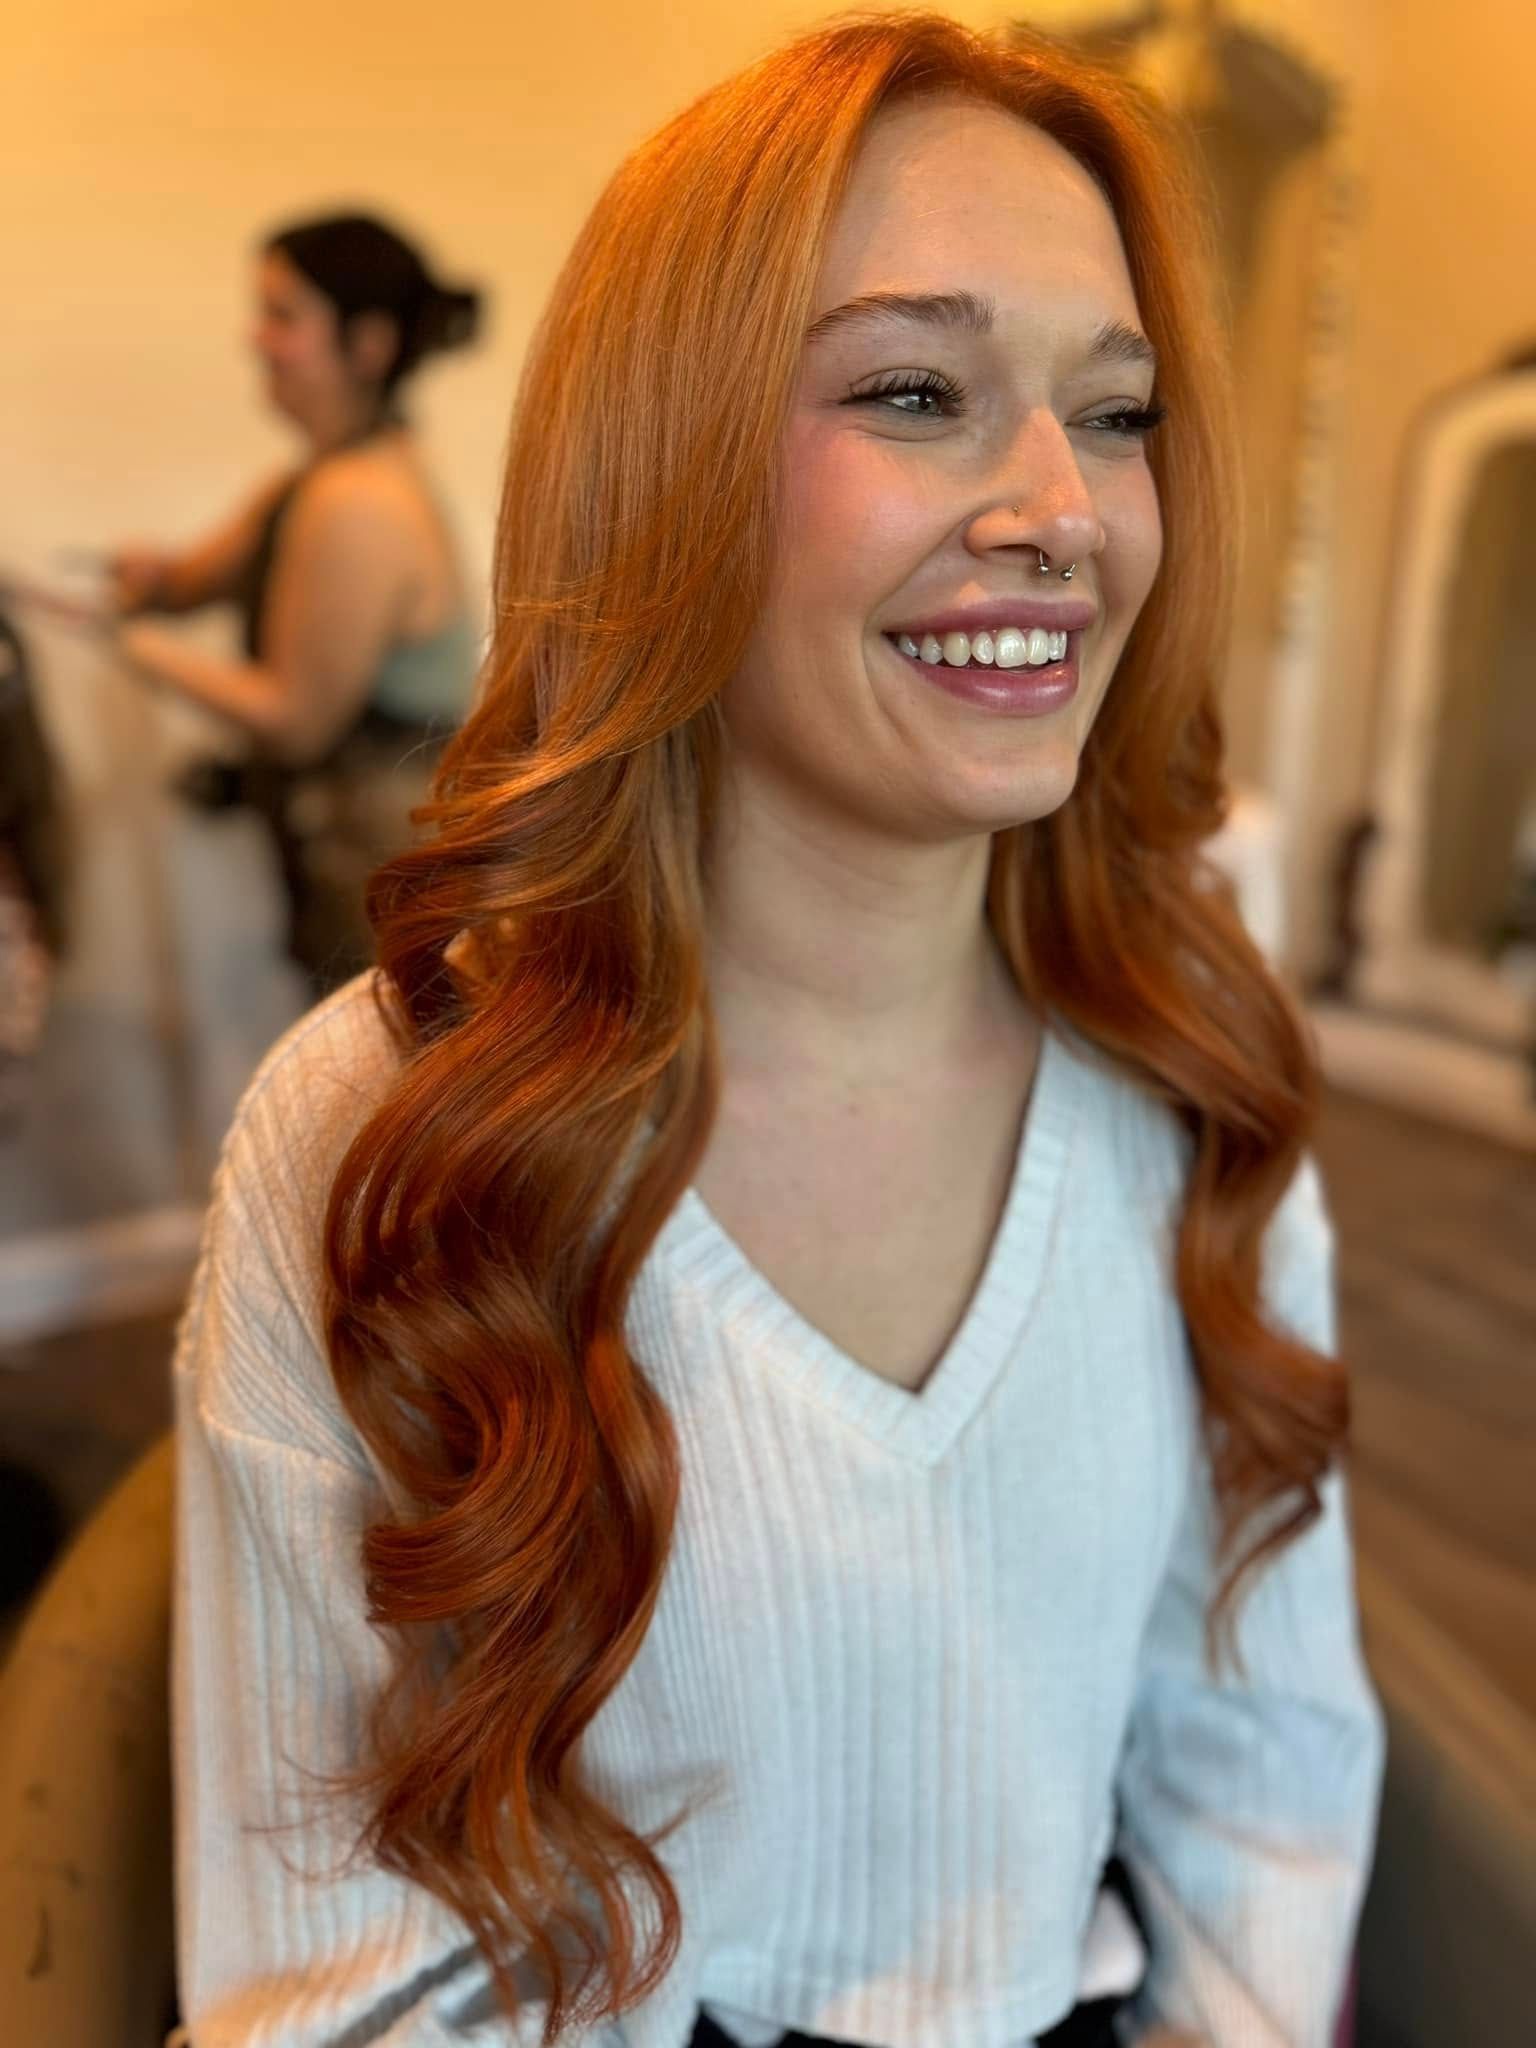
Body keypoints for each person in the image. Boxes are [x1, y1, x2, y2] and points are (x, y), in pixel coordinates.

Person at [171, 16, 1384, 2048]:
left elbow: (1262, 1765)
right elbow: (336, 1975)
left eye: (1117, 412)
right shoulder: (383, 1130)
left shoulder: (1190, 1083)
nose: (1059, 509)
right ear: (667, 464)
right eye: (917, 391)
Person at [111, 212, 483, 992]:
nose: (256, 339)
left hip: (385, 880)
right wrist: (152, 584)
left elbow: (293, 716)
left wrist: (135, 647)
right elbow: (186, 581)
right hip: (347, 864)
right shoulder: (315, 480)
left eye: (282, 317)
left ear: (368, 343)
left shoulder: (358, 500)